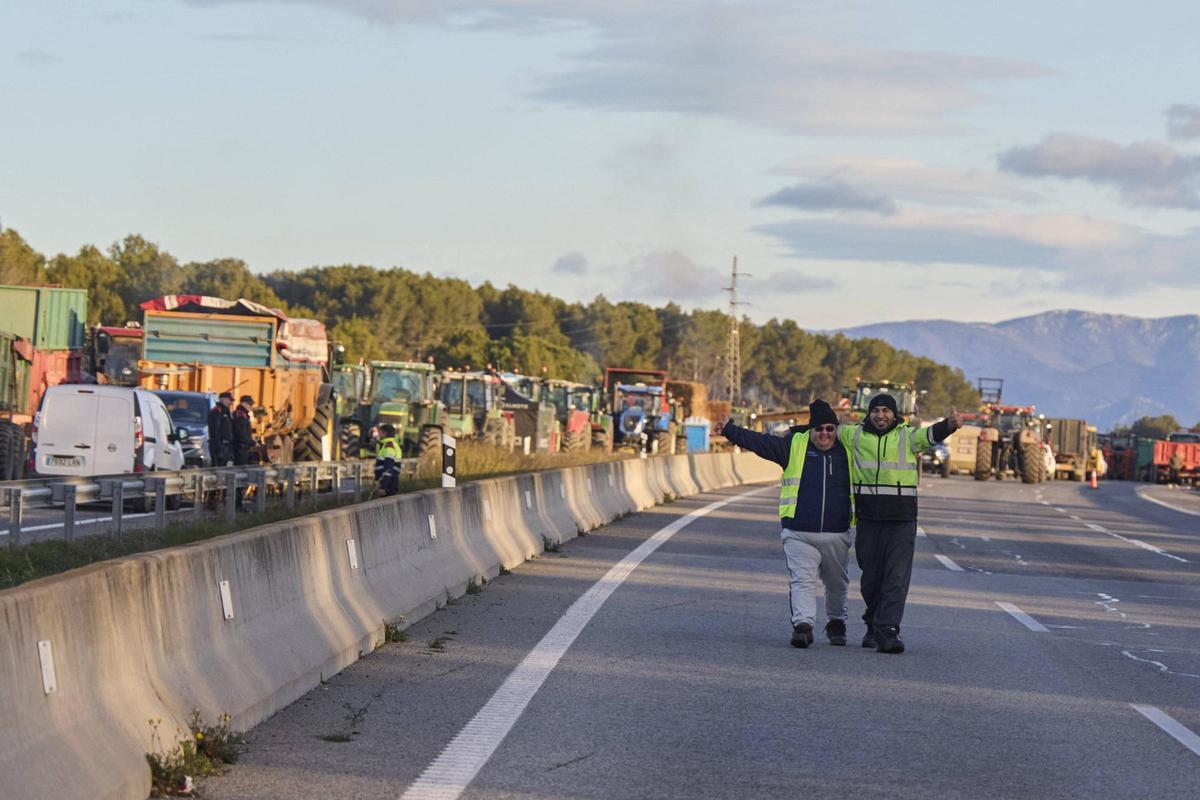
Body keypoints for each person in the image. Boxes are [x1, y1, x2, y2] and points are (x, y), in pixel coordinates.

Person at [715, 400, 855, 648]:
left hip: (836, 533)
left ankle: (836, 622)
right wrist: (730, 430)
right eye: (819, 429)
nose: (824, 433)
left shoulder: (847, 452)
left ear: (836, 430)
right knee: (802, 580)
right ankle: (803, 626)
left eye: (829, 429)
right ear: (810, 430)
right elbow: (760, 443)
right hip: (799, 532)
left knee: (836, 583)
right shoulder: (793, 447)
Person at [840, 394, 962, 654]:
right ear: (868, 413)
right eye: (876, 410)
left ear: (895, 415)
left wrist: (950, 424)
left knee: (896, 578)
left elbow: (930, 435)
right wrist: (796, 429)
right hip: (868, 520)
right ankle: (873, 623)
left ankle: (888, 630)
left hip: (901, 520)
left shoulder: (908, 436)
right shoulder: (855, 435)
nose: (881, 415)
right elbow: (824, 430)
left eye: (886, 411)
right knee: (871, 580)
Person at [374, 423, 403, 497]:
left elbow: (388, 468)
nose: (379, 434)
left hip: (388, 486)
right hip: (390, 484)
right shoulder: (389, 445)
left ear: (385, 433)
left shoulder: (389, 447)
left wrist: (383, 487)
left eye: (380, 432)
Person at [206, 392, 234, 467]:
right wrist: (218, 448)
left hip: (226, 446)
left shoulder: (226, 412)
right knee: (217, 467)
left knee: (223, 468)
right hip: (219, 446)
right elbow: (215, 430)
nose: (230, 403)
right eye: (229, 400)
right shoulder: (216, 411)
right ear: (223, 399)